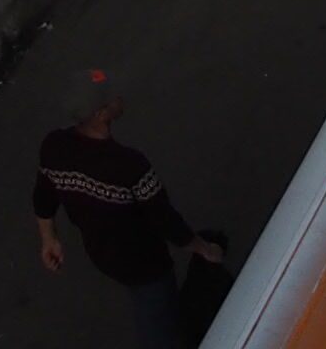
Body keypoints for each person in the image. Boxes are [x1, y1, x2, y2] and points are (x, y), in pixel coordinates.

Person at [31, 76, 226, 349]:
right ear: (101, 114)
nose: (120, 97)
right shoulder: (129, 165)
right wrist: (204, 249)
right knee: (158, 323)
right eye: (113, 98)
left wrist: (48, 240)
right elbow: (165, 219)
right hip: (141, 259)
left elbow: (43, 196)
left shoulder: (54, 146)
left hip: (101, 252)